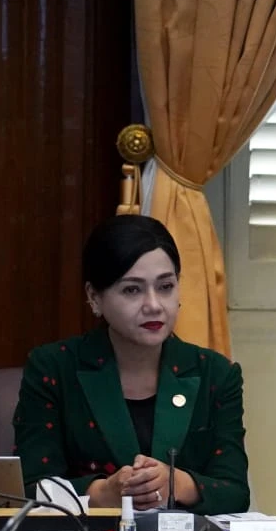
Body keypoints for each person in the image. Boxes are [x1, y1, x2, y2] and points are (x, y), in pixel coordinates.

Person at [13, 215, 250, 515]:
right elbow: (28, 487)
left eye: (165, 286)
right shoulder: (52, 368)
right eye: (132, 290)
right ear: (94, 297)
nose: (154, 305)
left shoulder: (215, 374)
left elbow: (235, 492)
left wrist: (176, 483)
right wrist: (103, 493)